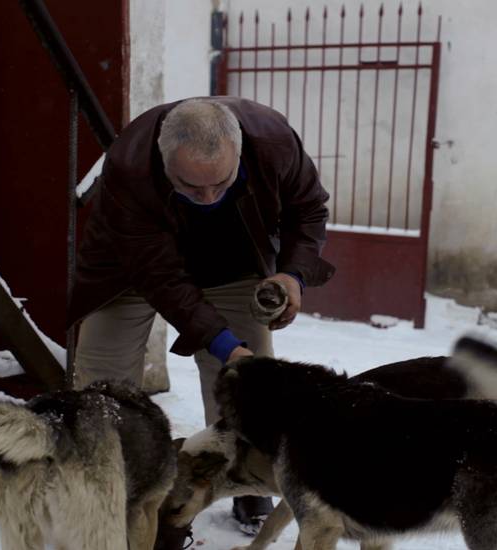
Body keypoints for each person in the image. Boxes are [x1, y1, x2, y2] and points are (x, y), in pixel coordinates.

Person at [67, 97, 334, 540]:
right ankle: (110, 492)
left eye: (223, 183)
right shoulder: (131, 165)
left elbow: (309, 211)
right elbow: (163, 280)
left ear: (240, 151)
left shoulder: (273, 141)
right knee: (103, 387)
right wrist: (227, 347)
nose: (209, 198)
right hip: (131, 270)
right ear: (163, 160)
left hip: (234, 259)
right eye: (191, 187)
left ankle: (247, 479)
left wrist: (292, 275)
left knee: (247, 388)